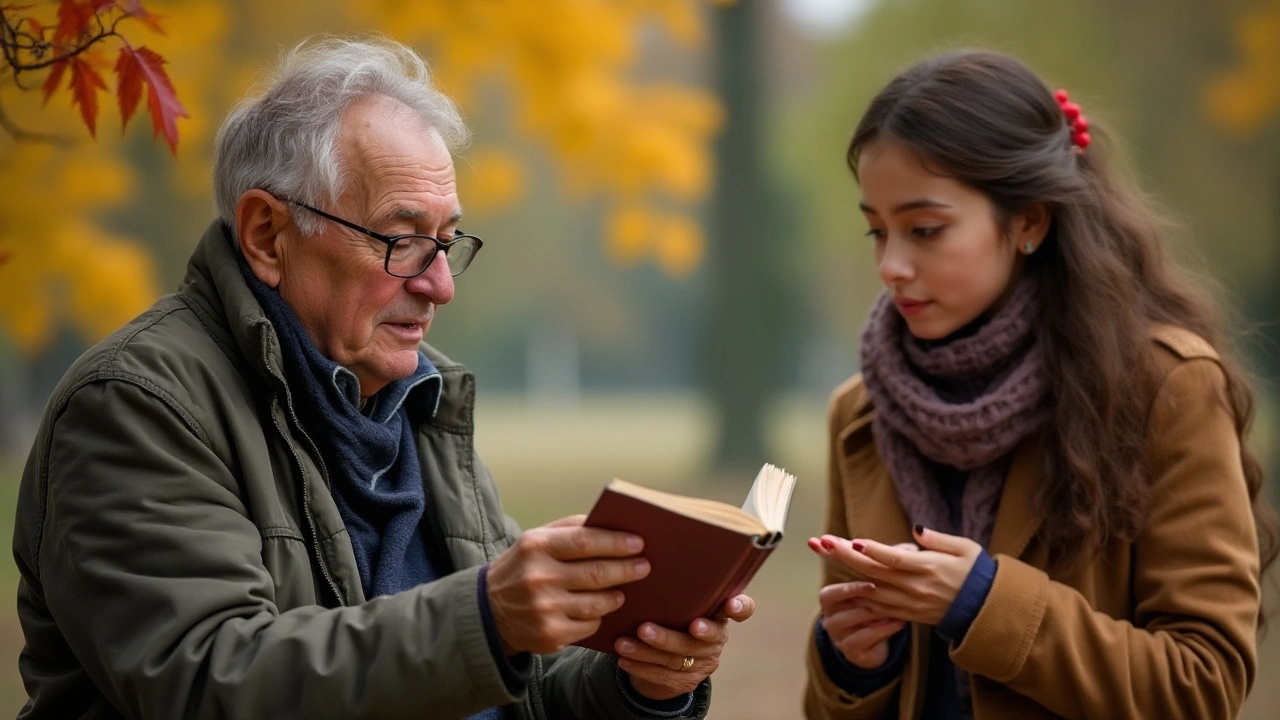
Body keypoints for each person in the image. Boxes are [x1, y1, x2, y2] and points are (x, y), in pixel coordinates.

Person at [12, 37, 754, 719]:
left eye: (448, 241)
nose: (440, 284)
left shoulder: (420, 400)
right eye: (402, 240)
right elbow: (209, 683)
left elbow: (518, 691)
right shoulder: (136, 404)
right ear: (268, 235)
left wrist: (644, 679)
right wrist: (489, 617)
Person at [802, 50, 1277, 720]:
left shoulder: (1167, 388)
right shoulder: (859, 415)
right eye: (877, 231)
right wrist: (852, 666)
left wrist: (982, 604)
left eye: (925, 230)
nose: (892, 265)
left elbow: (1203, 683)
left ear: (1029, 220)